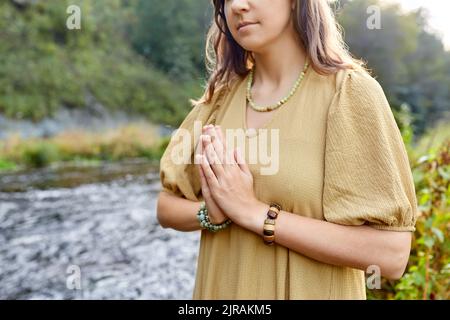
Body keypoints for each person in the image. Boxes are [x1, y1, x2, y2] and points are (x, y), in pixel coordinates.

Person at [157, 0, 418, 299]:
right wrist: (210, 214)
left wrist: (253, 213)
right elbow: (166, 207)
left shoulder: (349, 94)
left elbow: (392, 255)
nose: (238, 6)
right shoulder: (219, 99)